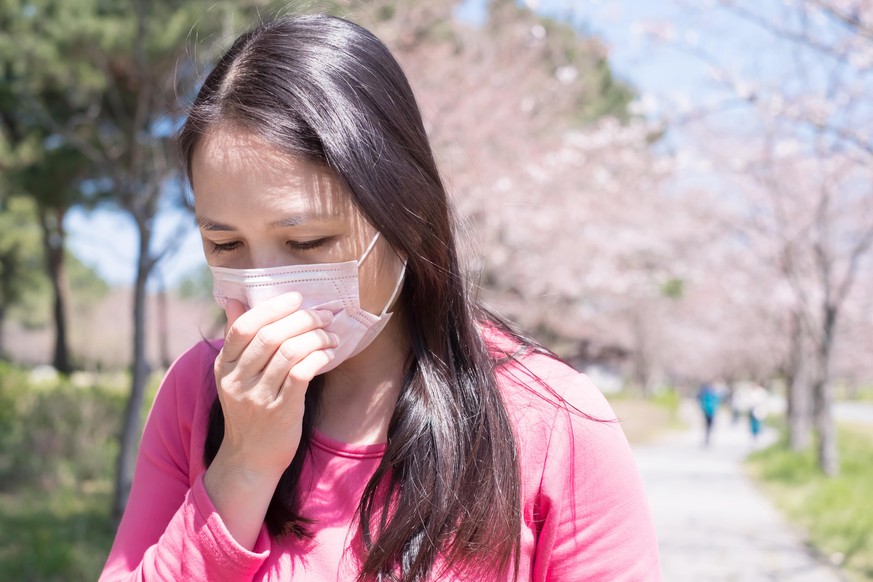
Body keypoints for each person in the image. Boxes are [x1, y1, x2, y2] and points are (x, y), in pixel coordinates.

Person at [100, 13, 660, 581]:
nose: (266, 287)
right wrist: (241, 466)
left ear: (406, 217)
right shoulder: (197, 394)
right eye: (225, 244)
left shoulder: (553, 420)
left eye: (307, 241)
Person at [696, 382, 721, 447]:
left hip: (707, 411)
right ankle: (707, 438)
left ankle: (707, 438)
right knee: (709, 426)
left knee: (707, 426)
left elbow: (701, 403)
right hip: (710, 412)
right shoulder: (712, 395)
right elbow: (716, 403)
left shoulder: (705, 395)